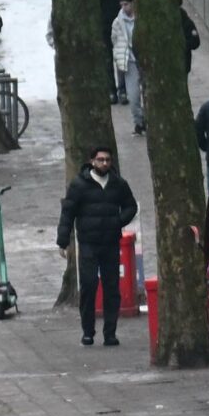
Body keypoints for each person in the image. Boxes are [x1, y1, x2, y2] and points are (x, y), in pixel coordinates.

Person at [55, 145, 137, 348]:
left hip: (110, 242)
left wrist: (119, 221)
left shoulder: (118, 184)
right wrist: (63, 241)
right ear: (92, 161)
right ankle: (88, 331)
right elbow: (68, 213)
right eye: (100, 160)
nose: (105, 163)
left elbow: (130, 205)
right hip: (88, 243)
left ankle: (110, 333)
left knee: (111, 288)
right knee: (89, 286)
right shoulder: (79, 185)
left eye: (108, 160)